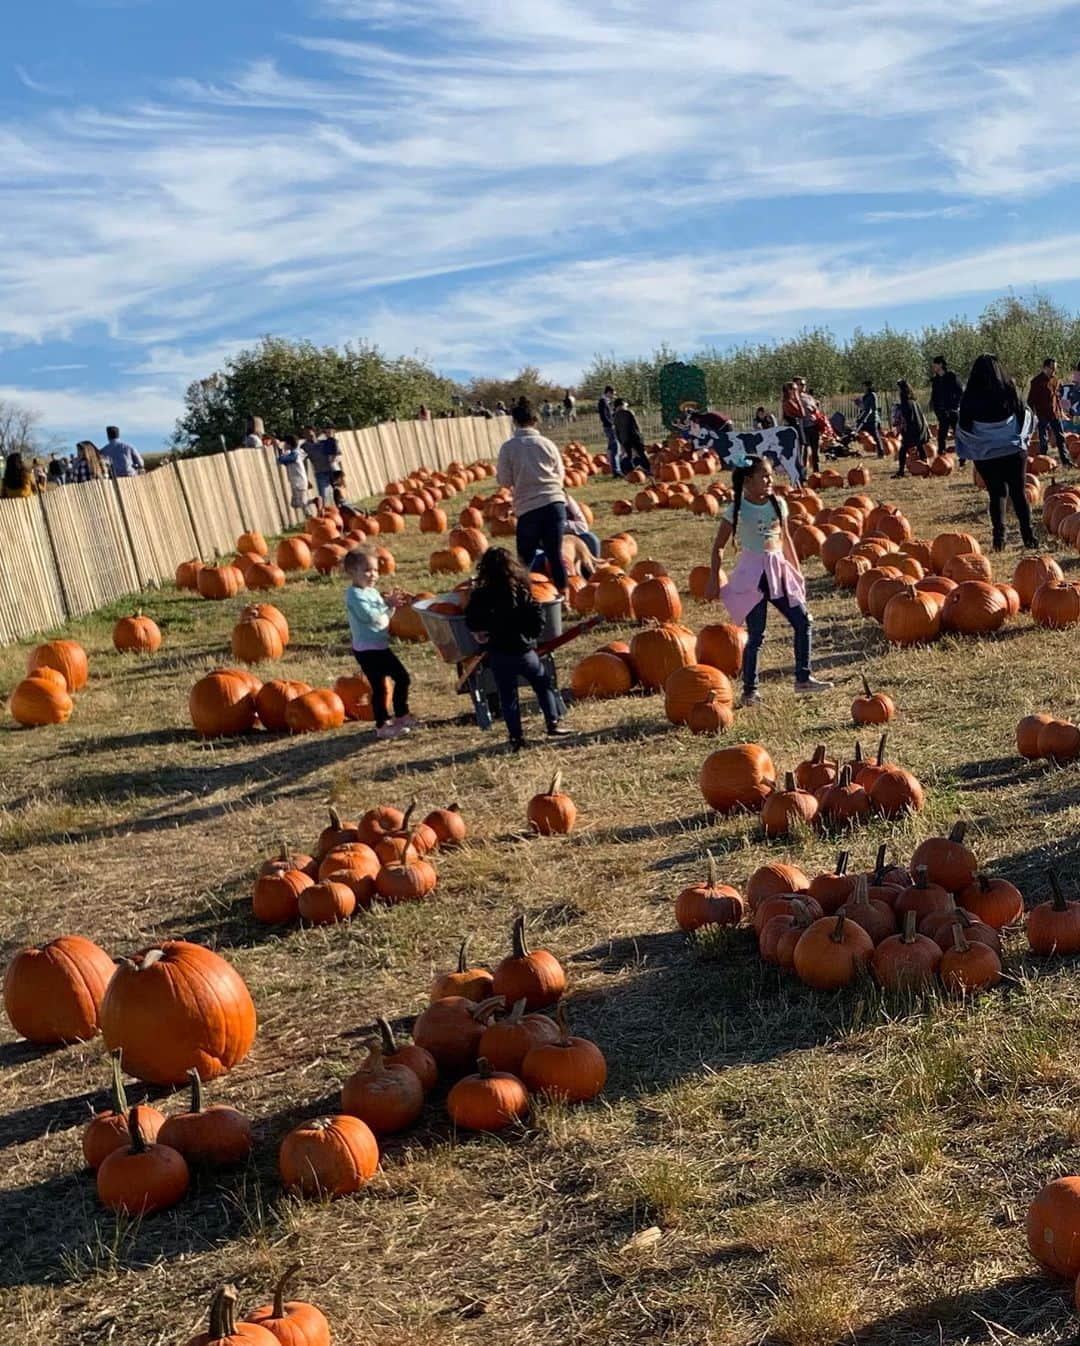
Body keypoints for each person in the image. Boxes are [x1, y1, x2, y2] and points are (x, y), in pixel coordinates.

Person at [705, 456, 830, 706]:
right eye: (764, 476)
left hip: (777, 571)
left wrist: (795, 571)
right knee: (757, 635)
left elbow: (786, 540)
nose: (770, 480)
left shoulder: (778, 503)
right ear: (748, 480)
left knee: (802, 620)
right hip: (753, 576)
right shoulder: (738, 508)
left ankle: (803, 678)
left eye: (771, 475)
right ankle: (750, 691)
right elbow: (718, 546)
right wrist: (712, 578)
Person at [464, 548, 569, 750]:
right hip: (524, 651)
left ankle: (516, 738)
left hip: (498, 654)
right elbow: (537, 617)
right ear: (513, 567)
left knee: (508, 696)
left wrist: (481, 632)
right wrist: (530, 635)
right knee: (542, 683)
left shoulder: (480, 595)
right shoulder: (521, 591)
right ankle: (553, 723)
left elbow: (472, 620)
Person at [957, 354, 1037, 551]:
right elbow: (1024, 414)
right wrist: (1019, 437)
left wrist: (971, 447)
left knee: (997, 494)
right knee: (1018, 493)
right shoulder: (1009, 389)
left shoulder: (970, 396)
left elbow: (964, 426)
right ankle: (1029, 537)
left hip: (985, 453)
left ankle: (999, 540)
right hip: (1013, 450)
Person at [343, 546, 418, 740]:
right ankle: (382, 725)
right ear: (352, 572)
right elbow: (369, 617)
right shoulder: (354, 595)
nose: (373, 574)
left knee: (402, 678)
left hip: (380, 646)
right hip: (367, 650)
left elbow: (385, 619)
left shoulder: (372, 592)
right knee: (380, 688)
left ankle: (401, 715)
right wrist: (387, 605)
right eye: (367, 570)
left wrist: (392, 607)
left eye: (375, 570)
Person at [496, 397, 569, 593]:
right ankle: (565, 597)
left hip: (528, 508)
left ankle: (522, 597)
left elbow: (504, 480)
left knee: (524, 559)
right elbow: (560, 475)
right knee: (554, 554)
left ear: (515, 422)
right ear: (535, 421)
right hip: (555, 503)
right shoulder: (547, 444)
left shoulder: (508, 448)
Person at [1028, 357, 1069, 467]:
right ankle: (1042, 462)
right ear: (1045, 368)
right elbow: (1030, 400)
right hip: (1042, 414)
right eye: (1052, 368)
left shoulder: (1055, 380)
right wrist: (1032, 416)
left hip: (1055, 413)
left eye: (1055, 369)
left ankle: (1066, 461)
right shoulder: (1036, 382)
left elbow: (1057, 397)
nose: (1054, 371)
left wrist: (1061, 412)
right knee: (1044, 439)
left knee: (1060, 438)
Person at [891, 381, 930, 478]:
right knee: (920, 446)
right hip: (921, 429)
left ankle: (901, 471)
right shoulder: (914, 402)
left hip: (912, 431)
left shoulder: (905, 404)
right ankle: (926, 467)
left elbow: (905, 420)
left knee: (903, 449)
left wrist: (901, 431)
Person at [930, 357, 963, 457]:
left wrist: (955, 406)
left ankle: (963, 457)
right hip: (942, 412)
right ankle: (941, 456)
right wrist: (937, 411)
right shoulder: (935, 380)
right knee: (941, 436)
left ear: (940, 365)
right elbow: (934, 397)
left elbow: (960, 392)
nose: (933, 367)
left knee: (958, 435)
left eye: (935, 364)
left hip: (953, 411)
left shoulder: (951, 376)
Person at [613, 398, 650, 475]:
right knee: (641, 453)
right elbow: (635, 426)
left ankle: (629, 471)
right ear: (622, 405)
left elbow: (616, 431)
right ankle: (647, 469)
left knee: (629, 456)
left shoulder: (615, 417)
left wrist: (621, 442)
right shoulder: (628, 412)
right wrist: (640, 435)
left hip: (624, 439)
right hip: (634, 437)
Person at [276, 435, 312, 513]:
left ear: (289, 444)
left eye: (285, 443)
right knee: (295, 504)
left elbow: (281, 460)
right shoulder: (295, 453)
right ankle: (313, 502)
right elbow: (285, 461)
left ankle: (311, 517)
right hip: (296, 482)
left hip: (299, 483)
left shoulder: (295, 454)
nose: (284, 445)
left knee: (303, 504)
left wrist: (281, 450)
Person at [305, 426, 340, 504]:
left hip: (332, 470)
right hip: (320, 473)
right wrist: (305, 478)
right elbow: (302, 462)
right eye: (305, 434)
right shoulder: (305, 447)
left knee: (338, 492)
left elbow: (336, 452)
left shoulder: (324, 443)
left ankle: (342, 510)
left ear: (314, 432)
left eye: (309, 433)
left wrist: (335, 463)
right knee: (323, 496)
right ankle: (326, 512)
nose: (307, 435)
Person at [794, 377, 821, 475]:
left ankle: (817, 472)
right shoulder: (794, 399)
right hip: (802, 428)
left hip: (813, 426)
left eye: (804, 384)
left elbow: (816, 410)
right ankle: (803, 474)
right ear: (795, 386)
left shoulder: (809, 397)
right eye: (800, 384)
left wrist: (815, 411)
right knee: (804, 452)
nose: (803, 386)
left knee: (815, 451)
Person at [855, 380, 886, 457]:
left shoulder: (872, 395)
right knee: (857, 432)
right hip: (865, 419)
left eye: (864, 386)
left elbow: (873, 408)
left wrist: (867, 410)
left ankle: (881, 452)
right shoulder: (866, 395)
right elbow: (864, 407)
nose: (863, 388)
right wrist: (859, 404)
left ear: (868, 386)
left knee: (876, 436)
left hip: (872, 419)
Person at [564, 492, 601, 556]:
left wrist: (561, 525)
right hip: (549, 541)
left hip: (572, 537)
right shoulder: (542, 502)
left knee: (591, 538)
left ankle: (594, 564)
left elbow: (583, 527)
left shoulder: (566, 498)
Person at [598, 385, 620, 476]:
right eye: (613, 394)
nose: (613, 396)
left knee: (611, 447)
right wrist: (611, 424)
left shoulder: (607, 402)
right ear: (608, 392)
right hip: (609, 427)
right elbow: (603, 416)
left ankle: (612, 467)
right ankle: (616, 470)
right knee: (615, 447)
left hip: (610, 426)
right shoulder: (602, 402)